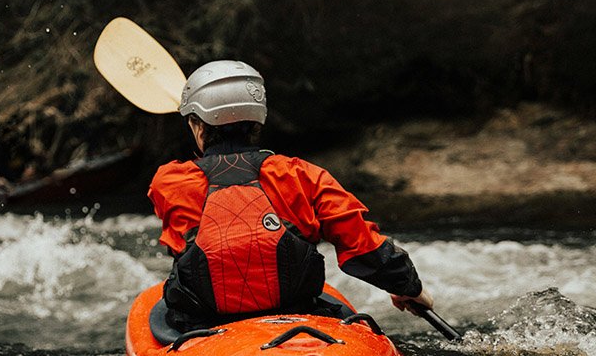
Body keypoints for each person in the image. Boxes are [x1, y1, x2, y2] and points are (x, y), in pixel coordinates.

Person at [148, 60, 434, 331]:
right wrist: (409, 289)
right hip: (297, 317)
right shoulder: (303, 175)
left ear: (198, 127)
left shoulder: (170, 181)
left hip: (204, 324)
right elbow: (363, 246)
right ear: (258, 121)